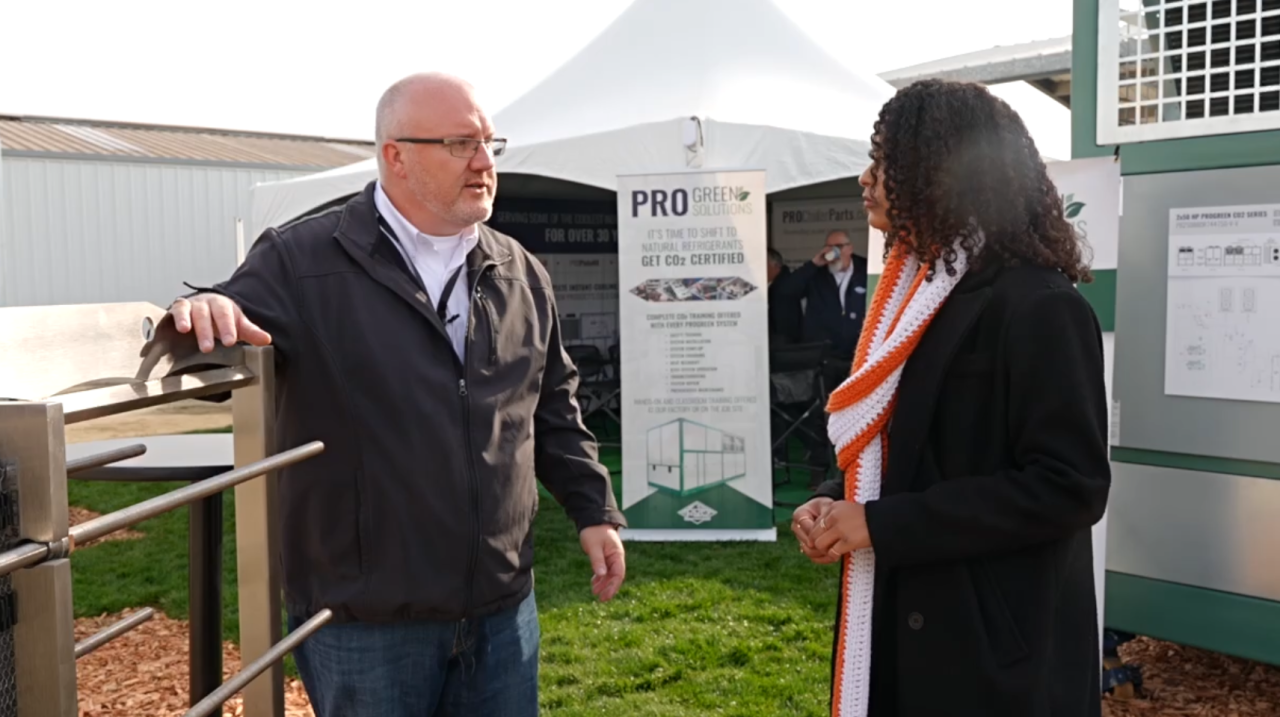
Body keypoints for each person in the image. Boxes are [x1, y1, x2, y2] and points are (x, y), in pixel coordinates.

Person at [167, 72, 627, 717]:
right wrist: (204, 310)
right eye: (462, 144)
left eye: (492, 144)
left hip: (501, 609)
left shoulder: (520, 270)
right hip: (367, 620)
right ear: (395, 156)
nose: (485, 163)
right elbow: (211, 339)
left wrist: (594, 511)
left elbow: (552, 405)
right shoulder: (301, 261)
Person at [791, 79, 1110, 717]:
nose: (866, 178)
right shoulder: (916, 299)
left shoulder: (1039, 306)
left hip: (993, 656)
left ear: (940, 172)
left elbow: (1069, 485)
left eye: (885, 161)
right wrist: (835, 501)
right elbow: (905, 444)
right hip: (913, 624)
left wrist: (880, 524)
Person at [771, 232, 868, 487]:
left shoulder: (865, 269)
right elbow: (785, 292)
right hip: (823, 356)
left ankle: (855, 472)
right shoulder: (816, 274)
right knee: (819, 414)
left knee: (858, 413)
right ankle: (818, 470)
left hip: (858, 355)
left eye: (840, 246)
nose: (834, 251)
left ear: (850, 248)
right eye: (830, 246)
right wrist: (814, 263)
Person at [766, 247, 802, 344]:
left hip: (782, 349)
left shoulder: (782, 288)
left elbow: (783, 327)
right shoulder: (780, 284)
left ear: (775, 266)